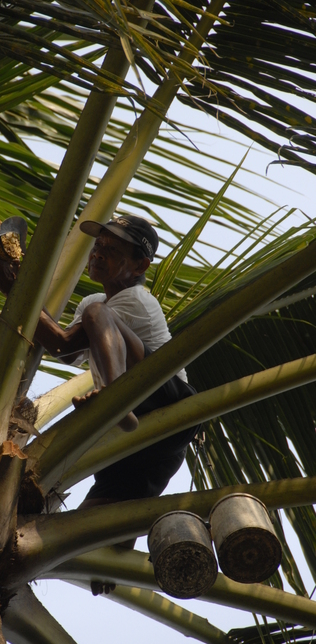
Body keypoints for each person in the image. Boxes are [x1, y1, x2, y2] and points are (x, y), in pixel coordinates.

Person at [35, 215, 200, 512]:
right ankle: (115, 404)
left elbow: (63, 343)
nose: (97, 253)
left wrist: (13, 283)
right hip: (134, 444)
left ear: (140, 266)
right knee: (93, 527)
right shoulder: (92, 303)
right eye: (97, 245)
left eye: (111, 250)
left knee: (99, 312)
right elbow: (68, 355)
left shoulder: (135, 300)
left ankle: (114, 399)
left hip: (165, 404)